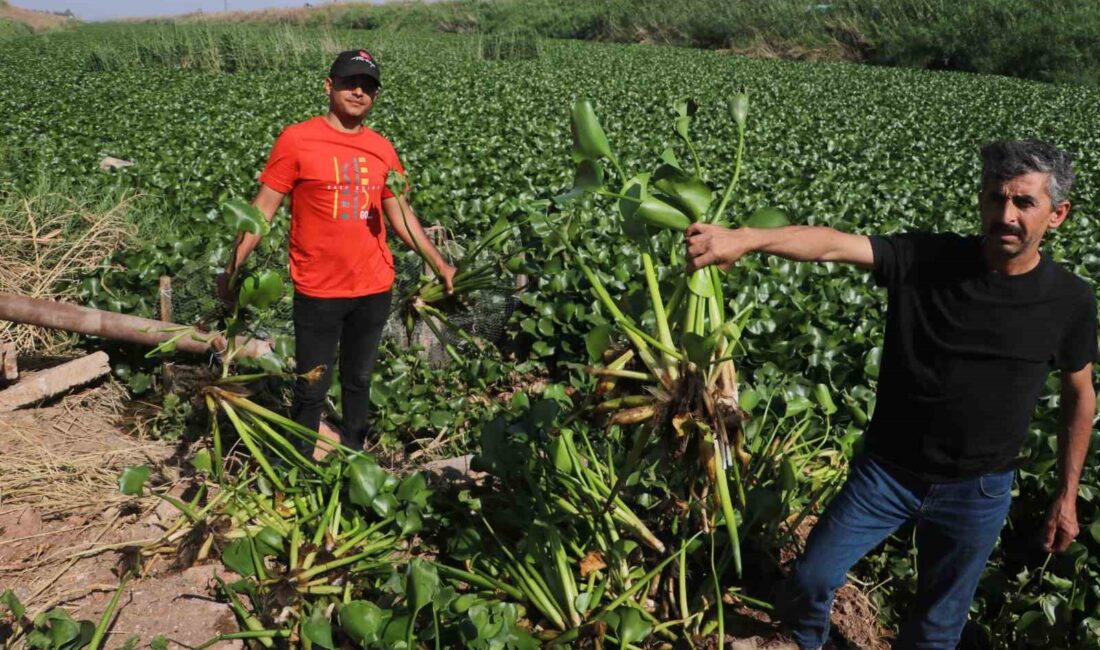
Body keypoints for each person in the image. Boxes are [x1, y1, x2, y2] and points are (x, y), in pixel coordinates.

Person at [685, 140, 1097, 649]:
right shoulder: (927, 258)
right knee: (813, 576)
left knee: (937, 628)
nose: (1005, 214)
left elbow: (1081, 397)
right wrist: (745, 238)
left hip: (979, 489)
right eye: (995, 198)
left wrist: (1066, 494)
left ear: (1057, 215)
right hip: (888, 473)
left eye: (1023, 203)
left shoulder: (1070, 299)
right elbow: (833, 244)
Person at [218, 49, 455, 451]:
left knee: (359, 380)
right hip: (319, 289)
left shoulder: (383, 148)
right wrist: (232, 270)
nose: (358, 91)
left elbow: (399, 214)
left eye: (368, 86)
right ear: (329, 86)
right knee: (312, 386)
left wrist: (440, 264)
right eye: (349, 82)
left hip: (374, 286)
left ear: (375, 97)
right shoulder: (297, 140)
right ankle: (298, 466)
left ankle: (353, 454)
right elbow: (262, 210)